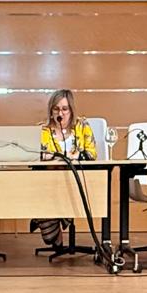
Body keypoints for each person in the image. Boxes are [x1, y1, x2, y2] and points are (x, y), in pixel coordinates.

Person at [31, 88, 97, 249]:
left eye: (65, 109)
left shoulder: (82, 126)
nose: (60, 113)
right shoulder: (41, 129)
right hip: (48, 181)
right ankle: (51, 221)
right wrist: (43, 157)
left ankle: (46, 219)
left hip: (76, 181)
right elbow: (32, 156)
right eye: (56, 109)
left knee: (53, 209)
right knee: (49, 236)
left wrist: (78, 156)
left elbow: (92, 154)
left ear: (71, 110)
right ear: (51, 110)